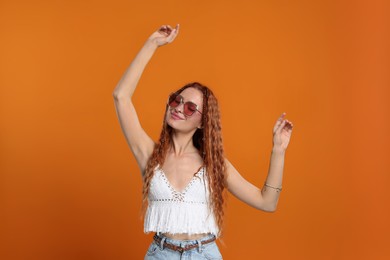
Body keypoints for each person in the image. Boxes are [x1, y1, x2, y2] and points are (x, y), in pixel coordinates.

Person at [112, 24, 294, 260]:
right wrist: (152, 44)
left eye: (190, 107)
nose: (179, 108)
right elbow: (121, 97)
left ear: (202, 122)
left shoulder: (214, 165)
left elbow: (267, 202)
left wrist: (278, 151)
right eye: (176, 100)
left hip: (203, 254)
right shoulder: (149, 154)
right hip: (161, 254)